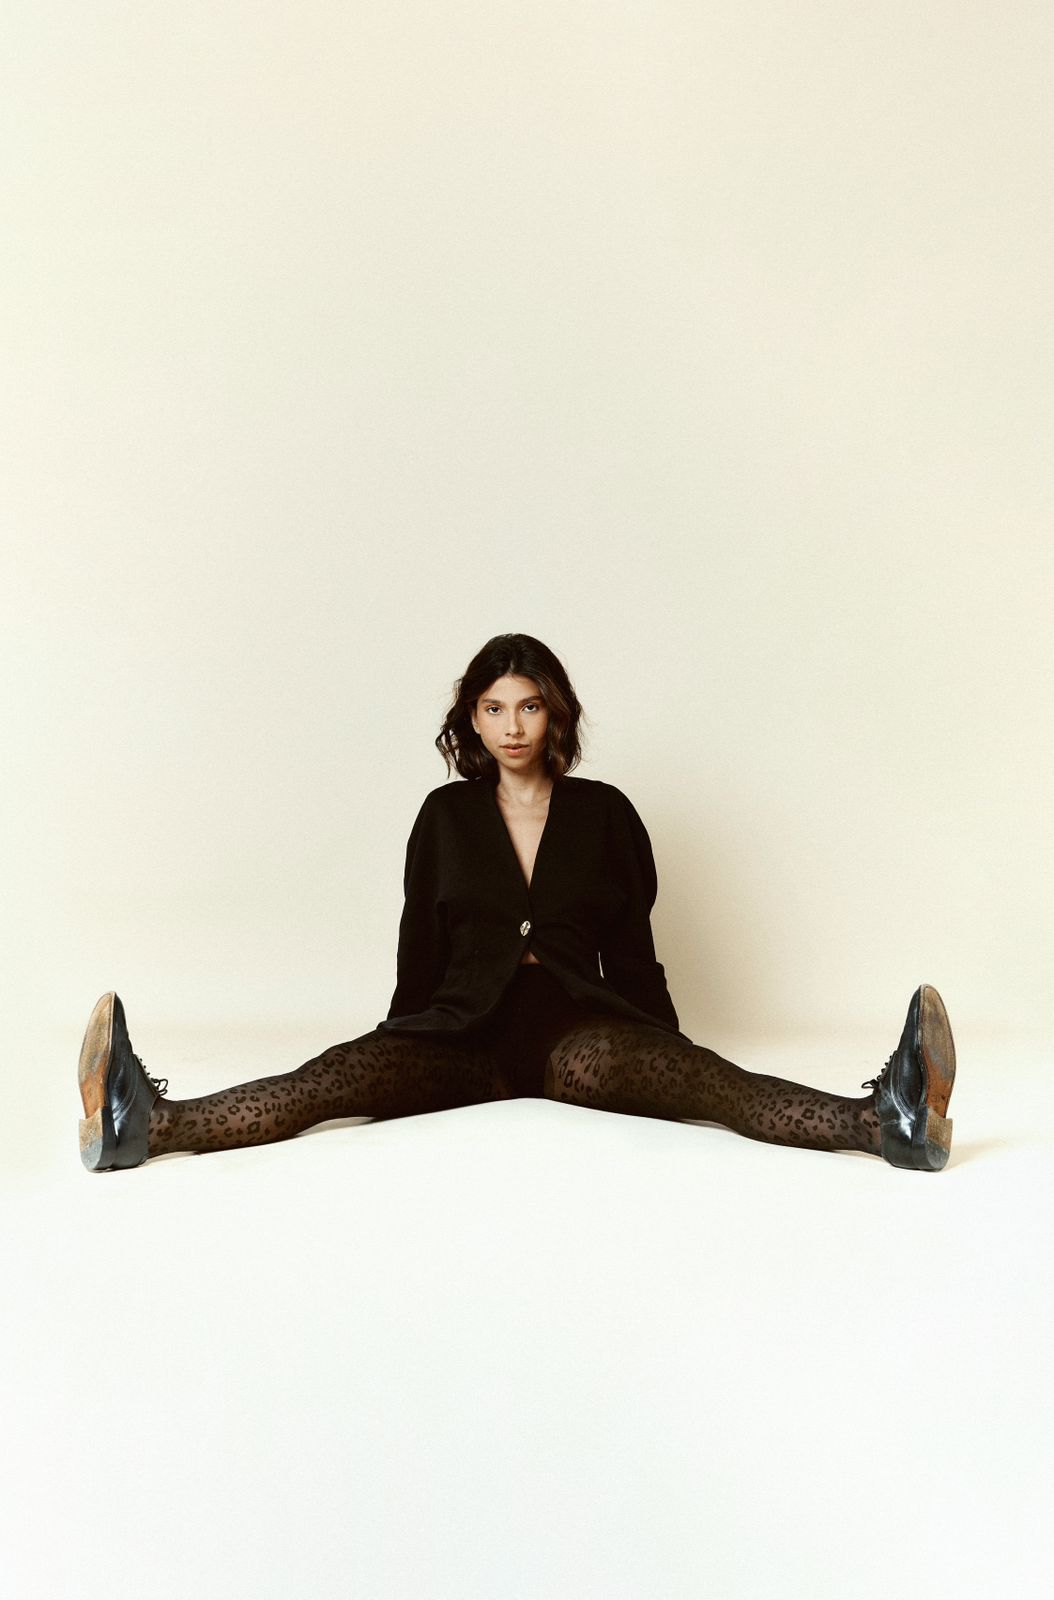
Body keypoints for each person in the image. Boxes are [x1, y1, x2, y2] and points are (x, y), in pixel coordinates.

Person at [76, 632, 956, 1174]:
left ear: (555, 714)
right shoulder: (446, 816)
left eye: (529, 707)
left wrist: (666, 1047)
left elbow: (634, 948)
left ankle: (883, 1122)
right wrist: (397, 1040)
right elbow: (419, 948)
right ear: (471, 718)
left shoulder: (605, 813)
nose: (512, 727)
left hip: (578, 1038)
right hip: (462, 1041)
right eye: (494, 708)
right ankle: (148, 1123)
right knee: (331, 1080)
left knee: (713, 1086)